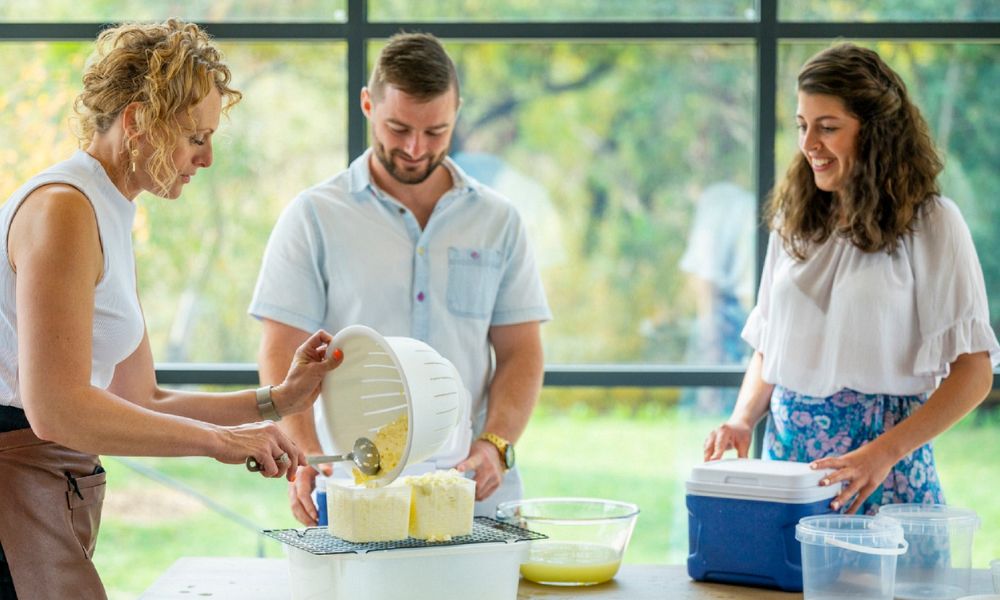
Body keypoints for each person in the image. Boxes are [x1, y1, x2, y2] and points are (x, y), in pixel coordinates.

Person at [0, 20, 343, 599]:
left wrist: (276, 402)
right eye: (195, 137)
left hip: (49, 487)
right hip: (16, 484)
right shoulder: (63, 209)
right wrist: (222, 442)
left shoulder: (107, 209)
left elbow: (141, 399)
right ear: (137, 123)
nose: (205, 159)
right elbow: (55, 409)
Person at [250, 32, 551, 525]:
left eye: (436, 132)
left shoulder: (499, 221)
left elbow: (522, 350)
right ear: (368, 105)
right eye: (398, 128)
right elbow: (282, 349)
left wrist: (495, 446)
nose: (415, 148)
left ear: (456, 113)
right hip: (354, 483)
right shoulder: (313, 216)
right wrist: (306, 456)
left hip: (470, 484)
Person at [703, 43, 999, 516]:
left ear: (876, 131)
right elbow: (770, 348)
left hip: (883, 467)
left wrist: (881, 454)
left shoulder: (933, 222)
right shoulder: (792, 219)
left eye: (828, 127)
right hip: (788, 468)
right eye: (802, 125)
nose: (808, 144)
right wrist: (741, 420)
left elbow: (975, 374)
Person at [679, 181, 756, 414]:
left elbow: (706, 275)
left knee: (713, 409)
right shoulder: (746, 200)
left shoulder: (717, 201)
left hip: (726, 317)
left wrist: (710, 339)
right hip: (739, 315)